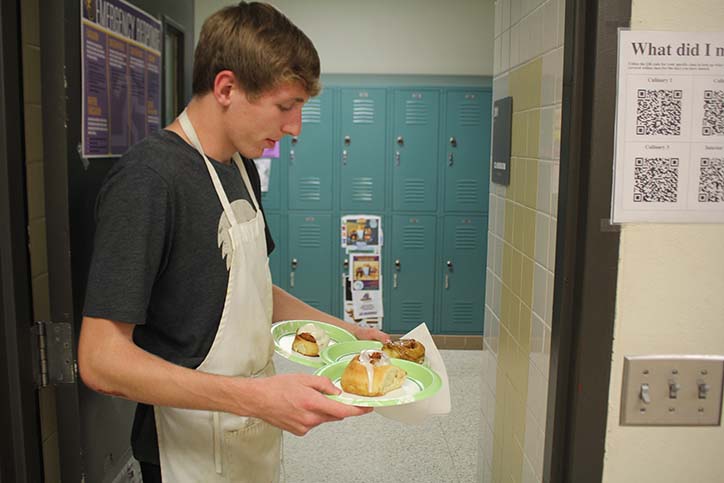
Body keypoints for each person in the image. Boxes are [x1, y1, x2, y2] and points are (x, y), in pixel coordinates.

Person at [78, 3, 388, 482]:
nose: (295, 128)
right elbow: (100, 360)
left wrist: (347, 333)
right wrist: (257, 398)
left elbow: (252, 290)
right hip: (185, 452)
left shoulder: (240, 168)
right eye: (286, 107)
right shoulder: (149, 179)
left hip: (249, 432)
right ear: (226, 88)